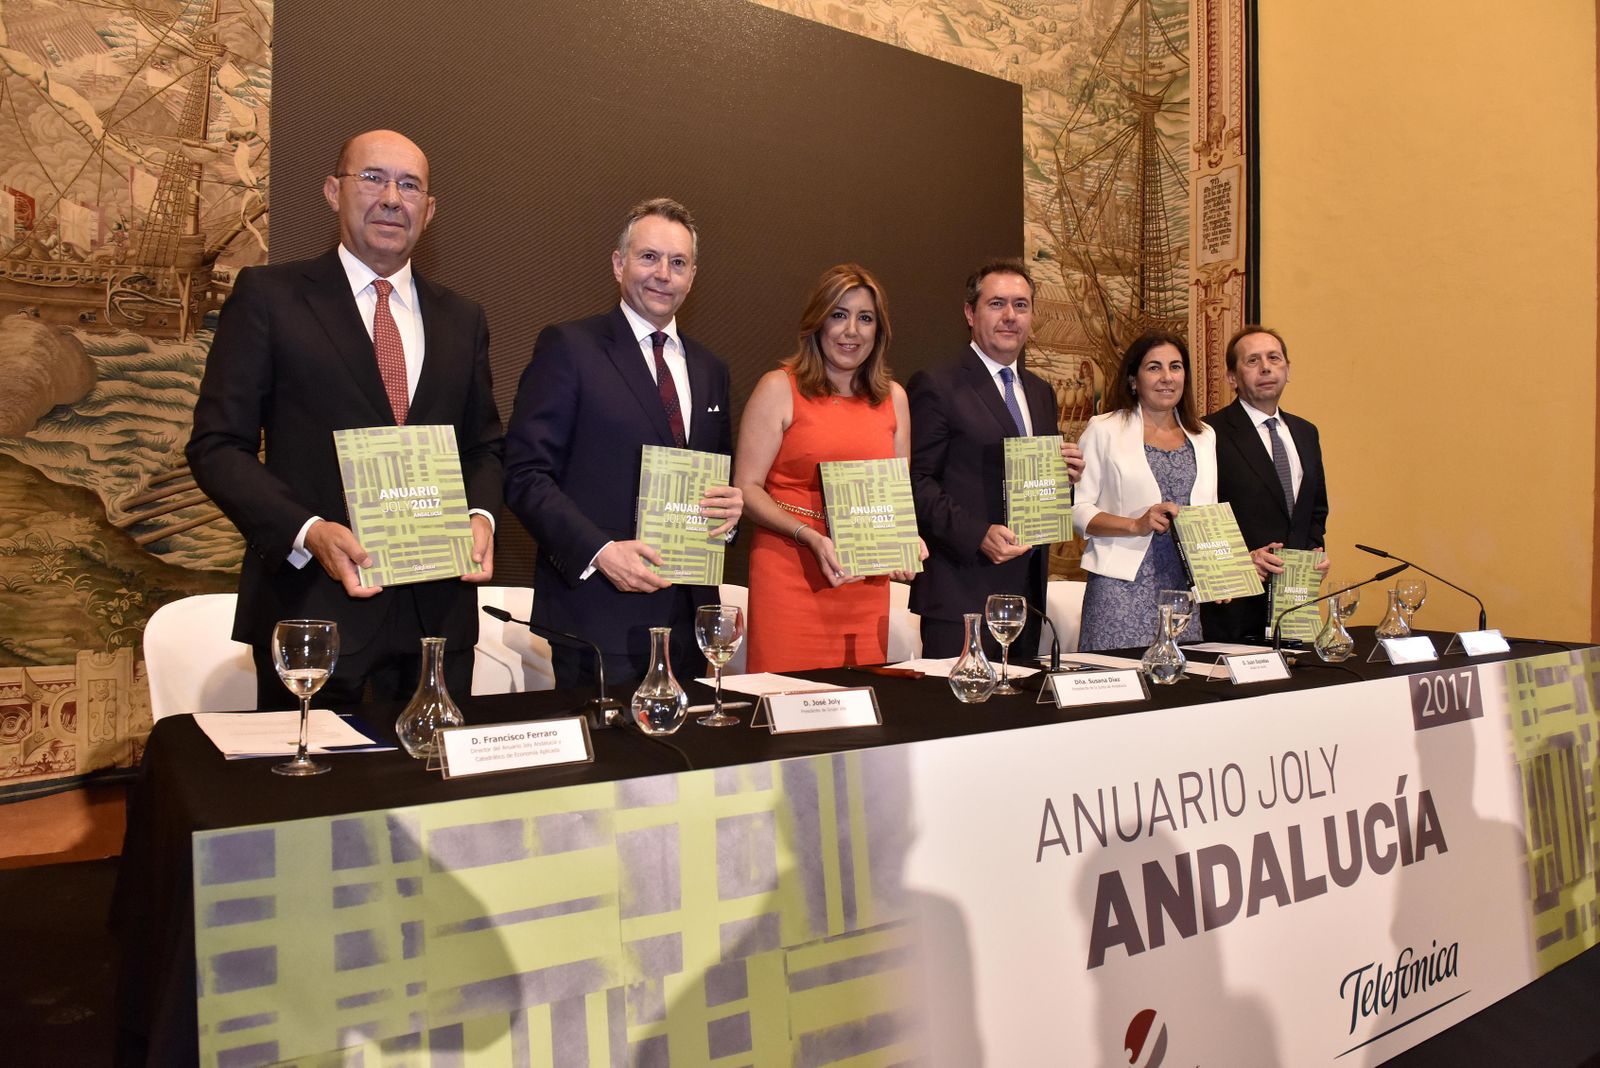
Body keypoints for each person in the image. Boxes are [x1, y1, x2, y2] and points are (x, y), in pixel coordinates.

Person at [188, 129, 504, 707]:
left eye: (410, 186)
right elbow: (217, 446)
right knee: (311, 797)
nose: (391, 198)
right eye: (373, 178)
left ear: (428, 211)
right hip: (313, 612)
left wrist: (481, 515)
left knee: (432, 796)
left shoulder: (464, 318)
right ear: (333, 192)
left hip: (438, 623)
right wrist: (307, 532)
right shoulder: (268, 297)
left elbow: (485, 447)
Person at [503, 198, 742, 687]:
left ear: (692, 277)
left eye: (678, 263)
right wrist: (600, 552)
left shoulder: (711, 369)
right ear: (618, 263)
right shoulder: (569, 348)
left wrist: (730, 510)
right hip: (596, 617)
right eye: (648, 257)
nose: (663, 275)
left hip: (690, 619)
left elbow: (716, 475)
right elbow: (525, 475)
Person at [734, 264, 922, 672]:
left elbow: (896, 495)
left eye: (865, 318)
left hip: (864, 586)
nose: (851, 330)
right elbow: (746, 488)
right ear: (817, 323)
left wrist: (906, 541)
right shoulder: (778, 388)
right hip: (789, 573)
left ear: (879, 331)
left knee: (857, 718)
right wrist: (811, 538)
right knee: (785, 707)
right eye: (839, 314)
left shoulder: (895, 399)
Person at [908, 260, 1084, 658]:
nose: (1010, 316)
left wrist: (1064, 480)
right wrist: (977, 535)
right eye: (997, 304)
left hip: (1025, 598)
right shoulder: (937, 384)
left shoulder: (1040, 392)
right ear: (970, 313)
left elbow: (1031, 485)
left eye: (1021, 305)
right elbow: (916, 482)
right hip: (961, 597)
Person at [1073, 331, 1216, 651]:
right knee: (1117, 693)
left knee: (1180, 693)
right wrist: (1134, 524)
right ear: (1133, 380)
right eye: (1154, 367)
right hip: (1119, 590)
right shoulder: (1104, 428)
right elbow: (1078, 509)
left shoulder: (1205, 436)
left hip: (1182, 591)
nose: (1167, 377)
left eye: (1176, 367)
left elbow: (1210, 515)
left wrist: (1222, 571)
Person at [1201, 325, 1330, 641]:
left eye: (1274, 358)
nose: (1266, 367)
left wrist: (1312, 552)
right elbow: (1201, 516)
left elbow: (1315, 508)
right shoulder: (1208, 433)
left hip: (1294, 602)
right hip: (1235, 605)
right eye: (1253, 361)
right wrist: (1240, 563)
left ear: (1288, 369)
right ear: (1232, 378)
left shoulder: (1305, 432)